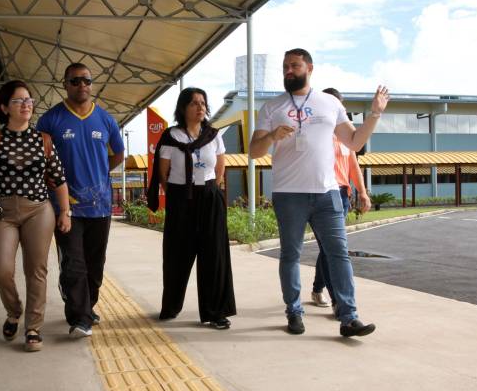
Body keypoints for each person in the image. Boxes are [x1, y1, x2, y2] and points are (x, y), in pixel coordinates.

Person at [249, 48, 389, 337]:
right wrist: (273, 136)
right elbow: (253, 151)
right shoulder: (271, 107)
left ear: (309, 68)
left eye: (295, 65)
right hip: (289, 194)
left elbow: (353, 142)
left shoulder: (329, 103)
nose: (289, 70)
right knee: (290, 255)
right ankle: (294, 312)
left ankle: (349, 317)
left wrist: (375, 113)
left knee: (339, 254)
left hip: (327, 193)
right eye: (285, 66)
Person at [0, 80, 72, 352]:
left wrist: (65, 211)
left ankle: (33, 327)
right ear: (5, 108)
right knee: (0, 269)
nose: (26, 105)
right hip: (2, 211)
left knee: (36, 270)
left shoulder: (43, 141)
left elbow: (59, 179)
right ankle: (14, 309)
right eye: (18, 101)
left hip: (39, 210)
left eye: (29, 100)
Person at [37, 63, 125, 338]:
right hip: (67, 208)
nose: (82, 86)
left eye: (86, 80)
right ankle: (79, 318)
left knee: (95, 266)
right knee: (74, 263)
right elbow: (41, 159)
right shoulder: (51, 120)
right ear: (65, 84)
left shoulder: (106, 120)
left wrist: (99, 172)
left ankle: (87, 307)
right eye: (75, 81)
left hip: (100, 207)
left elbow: (118, 155)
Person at [146, 87, 236, 329]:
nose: (200, 107)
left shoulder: (213, 135)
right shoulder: (170, 136)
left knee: (213, 255)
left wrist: (208, 190)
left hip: (209, 197)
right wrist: (179, 194)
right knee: (177, 255)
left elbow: (219, 169)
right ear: (183, 107)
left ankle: (215, 312)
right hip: (180, 199)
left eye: (203, 103)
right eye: (194, 103)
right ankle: (171, 306)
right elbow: (163, 174)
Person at [310, 87, 371, 314]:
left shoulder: (347, 135)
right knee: (333, 249)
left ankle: (318, 289)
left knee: (331, 247)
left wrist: (362, 192)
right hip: (322, 194)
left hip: (342, 194)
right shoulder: (318, 131)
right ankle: (339, 302)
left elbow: (354, 166)